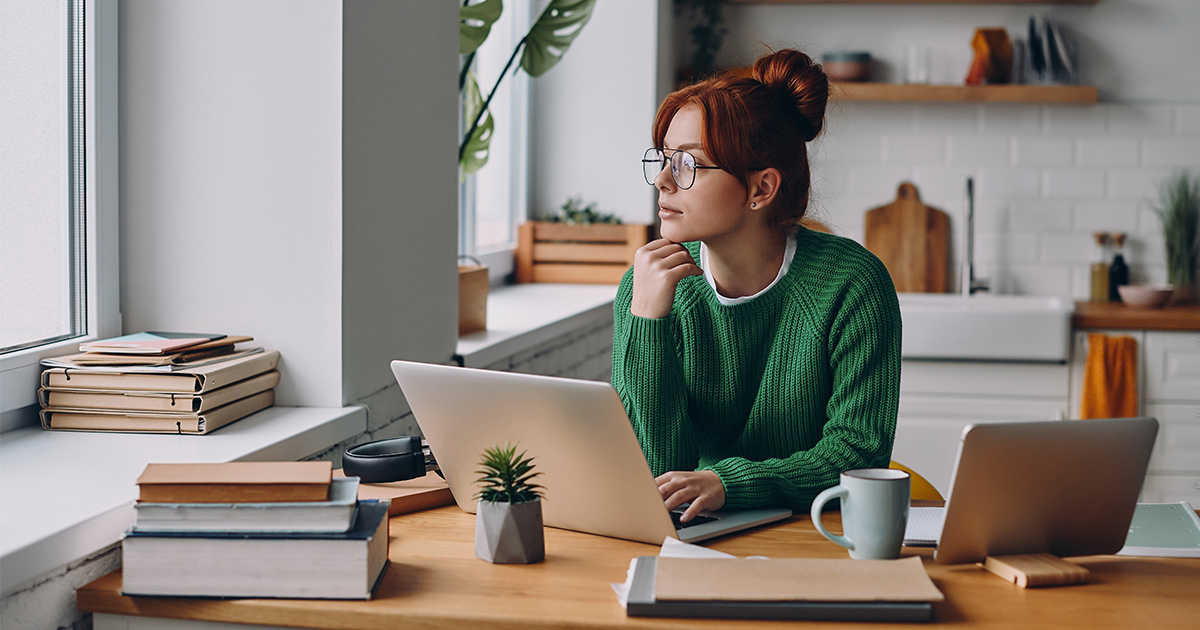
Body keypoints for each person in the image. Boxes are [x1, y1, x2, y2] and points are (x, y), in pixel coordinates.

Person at [612, 49, 902, 523]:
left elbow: (858, 455)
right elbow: (654, 472)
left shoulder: (852, 285)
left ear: (761, 189)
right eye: (664, 160)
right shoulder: (648, 286)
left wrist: (731, 483)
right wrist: (647, 324)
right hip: (691, 531)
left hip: (816, 533)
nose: (663, 181)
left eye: (687, 164)